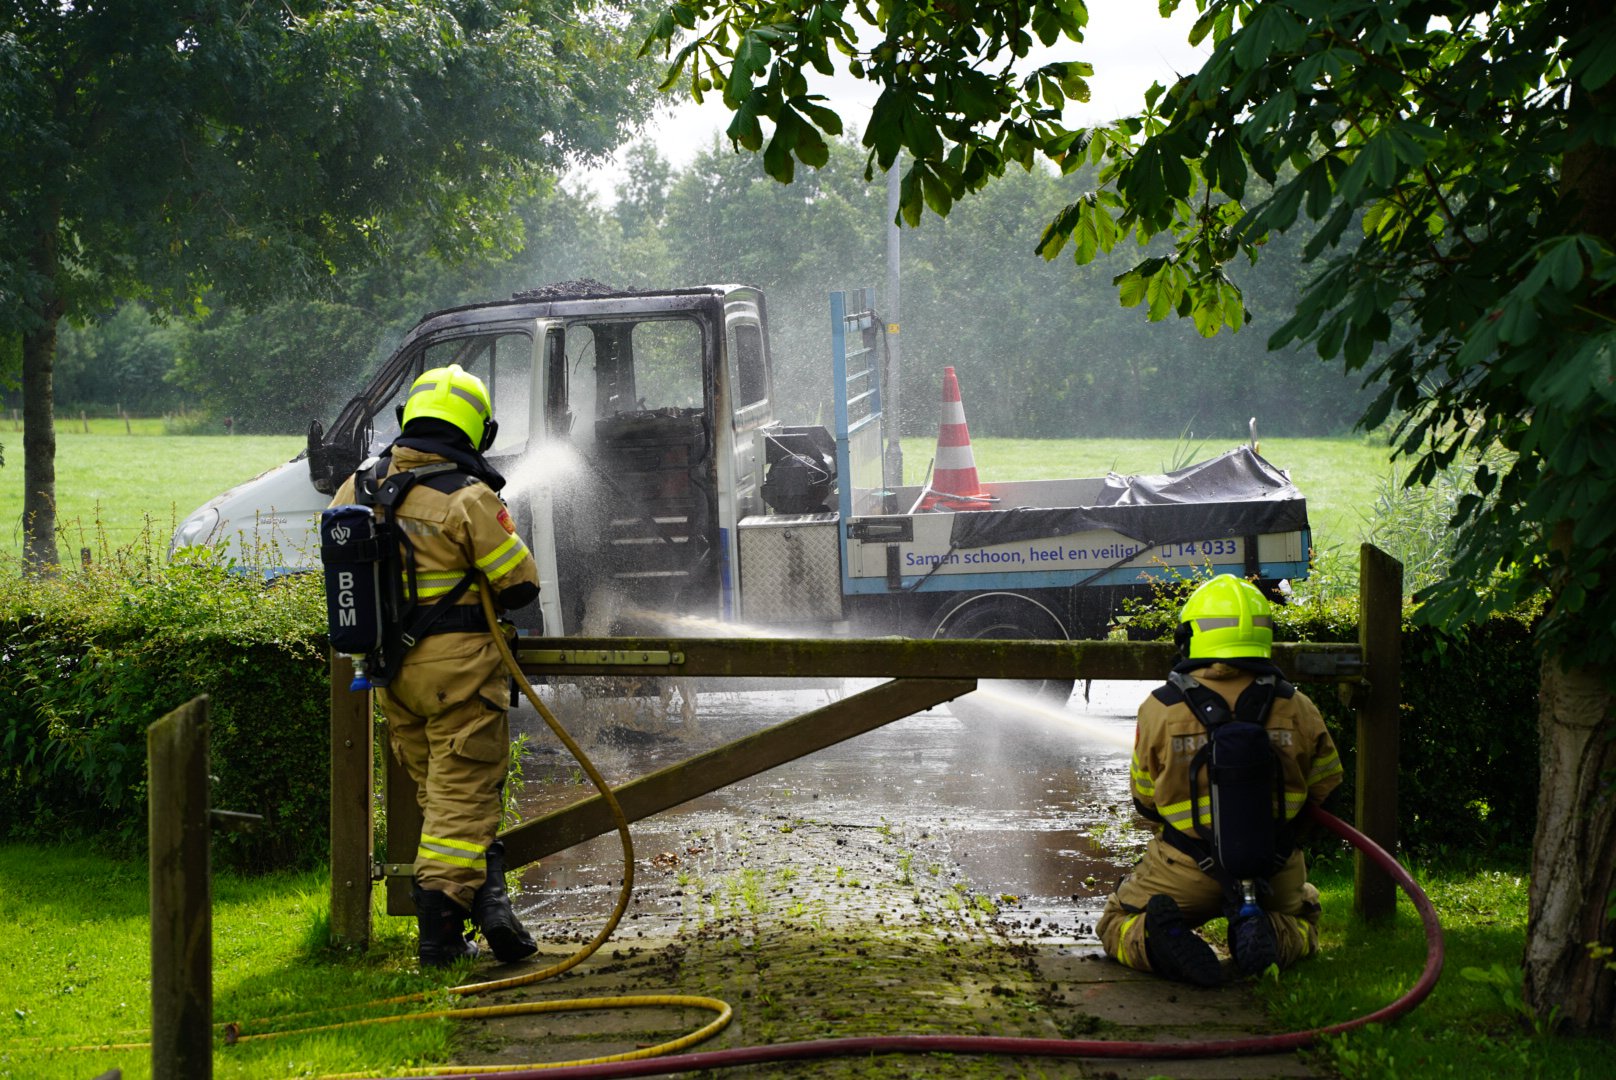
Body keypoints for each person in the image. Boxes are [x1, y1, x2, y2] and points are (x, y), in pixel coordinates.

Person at [330, 363, 542, 968]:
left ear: (407, 422)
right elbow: (519, 583)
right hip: (460, 679)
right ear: (480, 431)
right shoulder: (467, 498)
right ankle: (440, 943)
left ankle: (492, 906)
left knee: (442, 799)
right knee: (463, 800)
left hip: (389, 676)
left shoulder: (358, 489)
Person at [1096, 574, 1343, 986]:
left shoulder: (1160, 709)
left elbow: (1144, 800)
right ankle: (1272, 932)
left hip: (1184, 869)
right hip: (1274, 869)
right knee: (1304, 920)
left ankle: (1160, 940)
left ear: (1191, 635)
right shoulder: (1298, 706)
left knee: (1116, 922)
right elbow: (1328, 789)